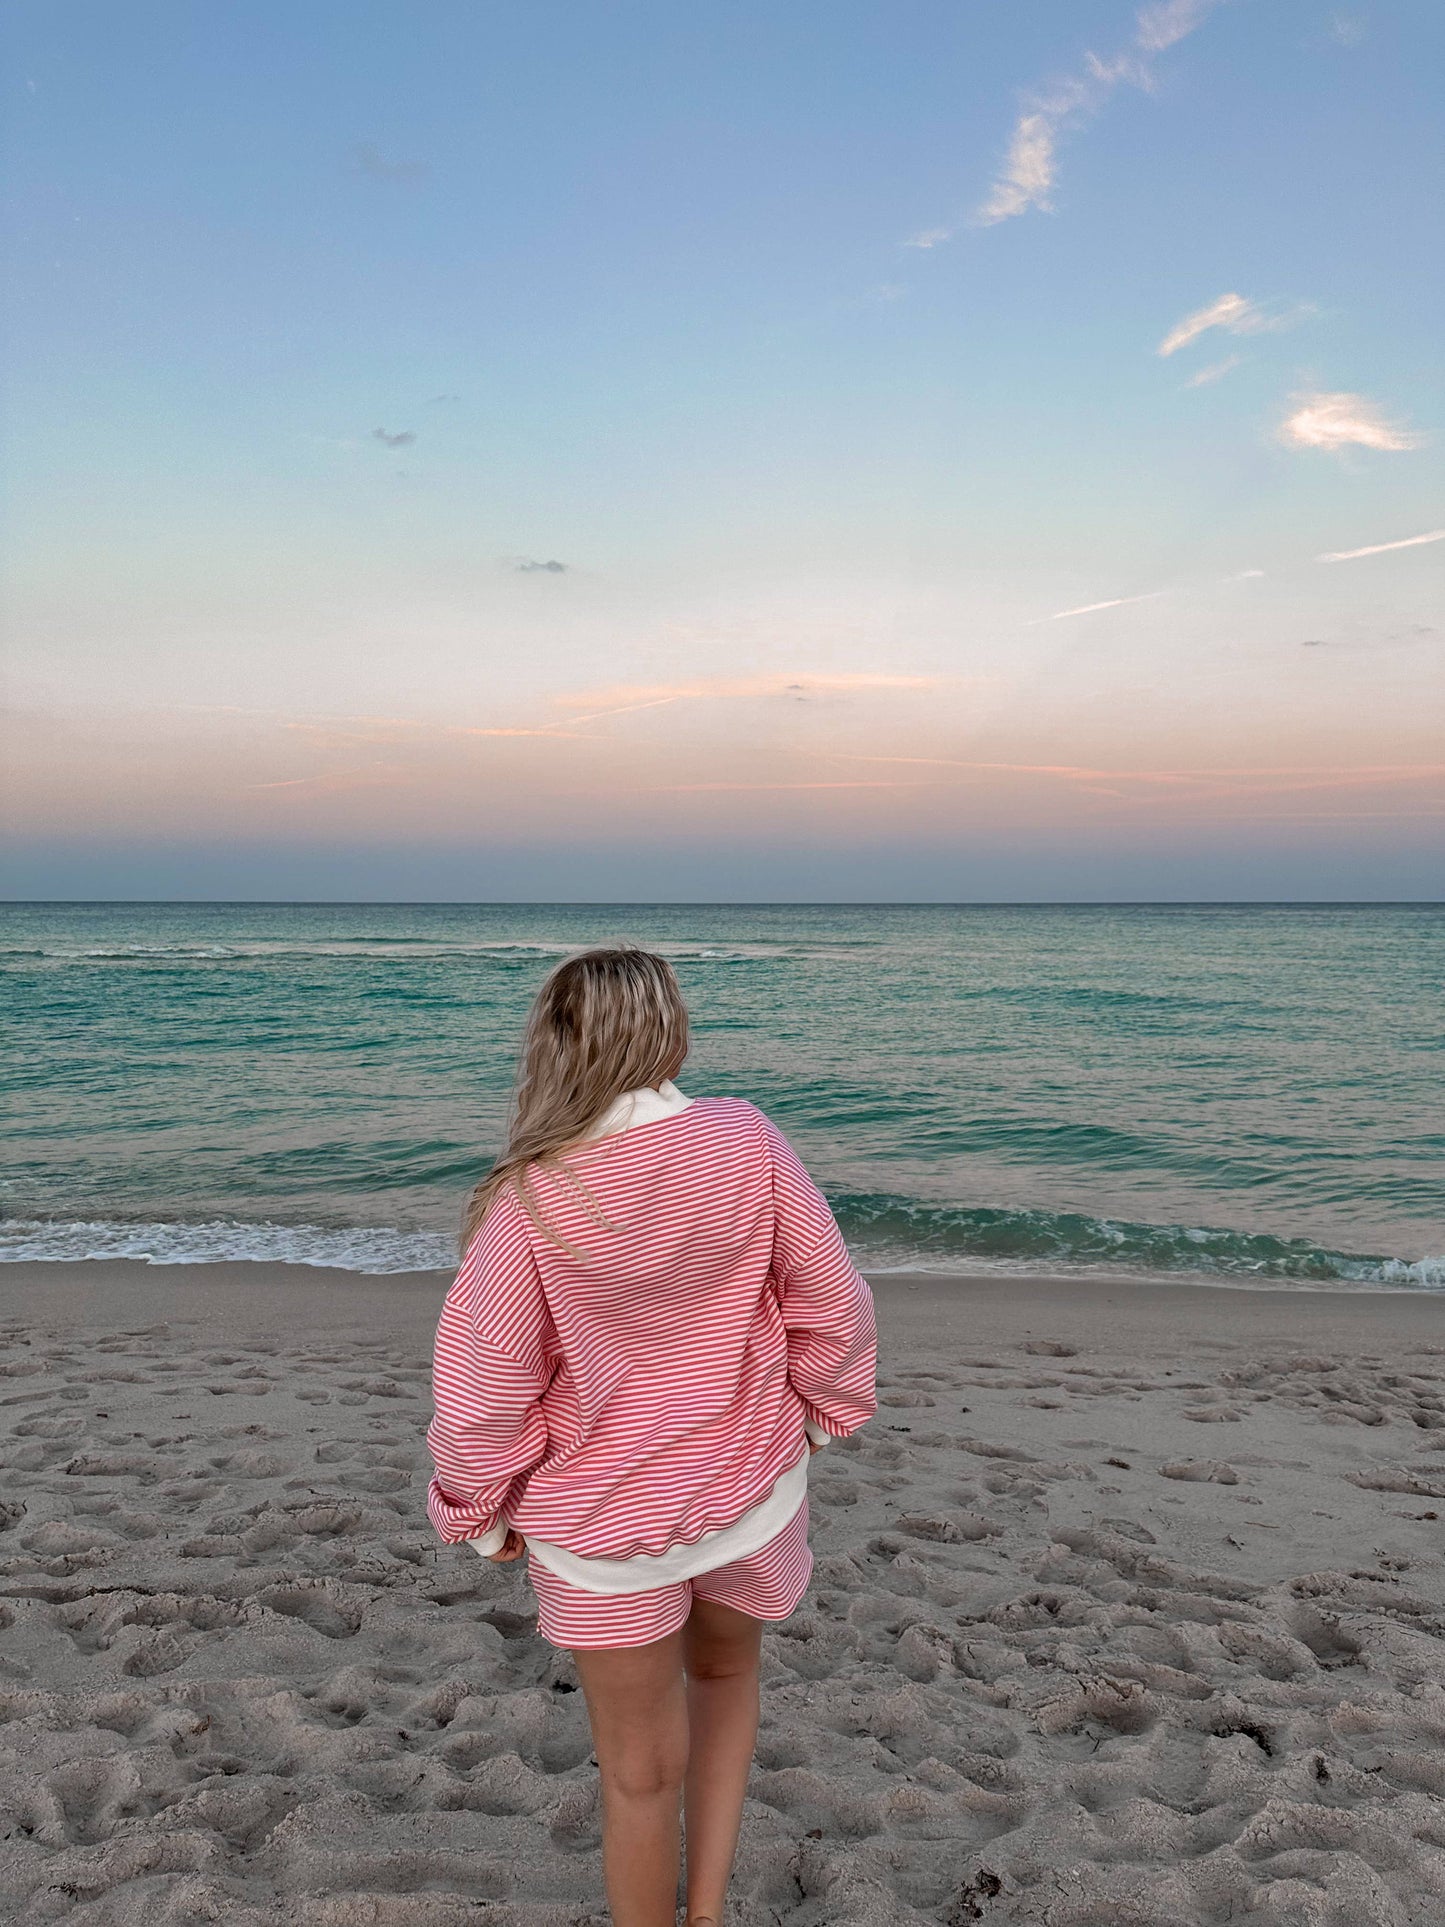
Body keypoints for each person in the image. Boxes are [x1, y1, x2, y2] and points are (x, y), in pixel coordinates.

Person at [426, 945, 877, 1927]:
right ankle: (706, 1910)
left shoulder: (533, 1196)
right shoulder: (745, 1137)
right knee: (724, 1677)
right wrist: (823, 1410)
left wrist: (478, 1508)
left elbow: (480, 1390)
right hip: (750, 1492)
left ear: (556, 1042)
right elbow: (831, 1299)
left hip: (600, 1536)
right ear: (668, 1027)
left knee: (637, 1777)